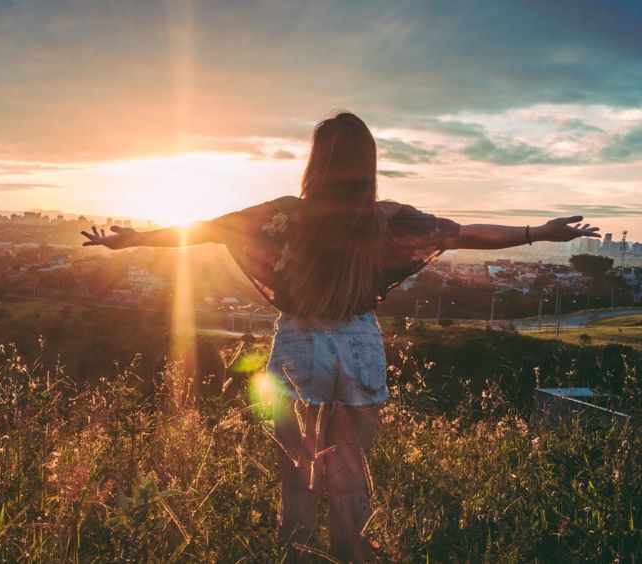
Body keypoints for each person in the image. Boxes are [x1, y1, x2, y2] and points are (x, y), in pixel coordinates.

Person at [81, 112, 600, 562]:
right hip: (359, 343)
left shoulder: (286, 213)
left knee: (298, 476)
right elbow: (461, 232)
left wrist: (132, 240)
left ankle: (299, 558)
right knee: (350, 470)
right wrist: (537, 233)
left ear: (316, 163)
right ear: (367, 163)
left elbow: (207, 228)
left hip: (299, 346)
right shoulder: (386, 217)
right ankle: (350, 555)